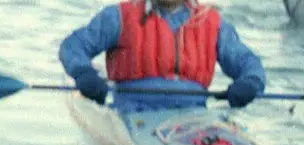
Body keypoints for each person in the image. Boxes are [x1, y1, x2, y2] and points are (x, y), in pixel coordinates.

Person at [60, 0, 267, 114]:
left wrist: (250, 82)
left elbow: (248, 62)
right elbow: (73, 46)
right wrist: (83, 72)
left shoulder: (212, 23)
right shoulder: (119, 16)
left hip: (193, 117)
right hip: (131, 113)